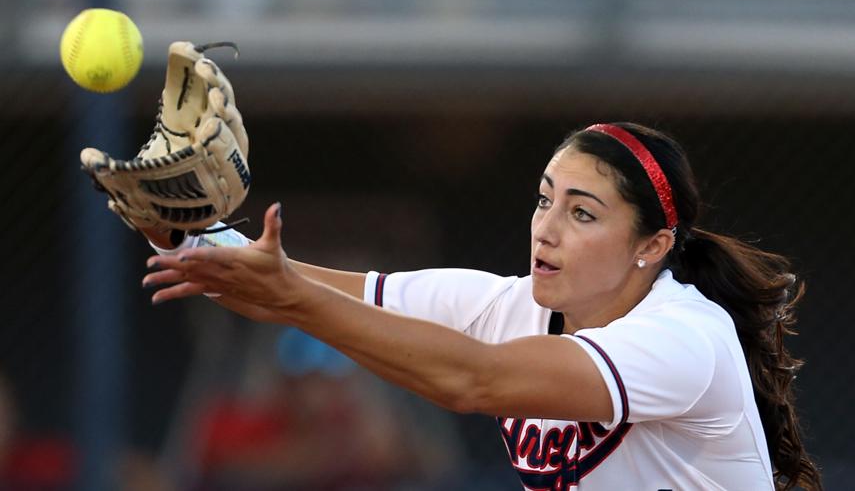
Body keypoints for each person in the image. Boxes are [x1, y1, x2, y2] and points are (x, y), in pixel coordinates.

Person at [139, 122, 822, 490]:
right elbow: (287, 283)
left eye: (581, 213)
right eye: (543, 199)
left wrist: (291, 299)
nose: (546, 228)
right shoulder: (507, 303)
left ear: (652, 246)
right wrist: (183, 227)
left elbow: (474, 380)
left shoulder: (682, 339)